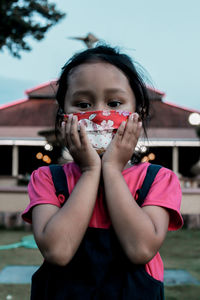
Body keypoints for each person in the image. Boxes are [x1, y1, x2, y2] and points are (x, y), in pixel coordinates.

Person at [22, 45, 183, 300]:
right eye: (83, 104)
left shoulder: (158, 180)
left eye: (114, 103)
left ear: (137, 115)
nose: (98, 115)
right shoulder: (47, 179)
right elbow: (58, 251)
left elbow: (141, 249)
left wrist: (111, 169)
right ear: (64, 117)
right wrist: (89, 171)